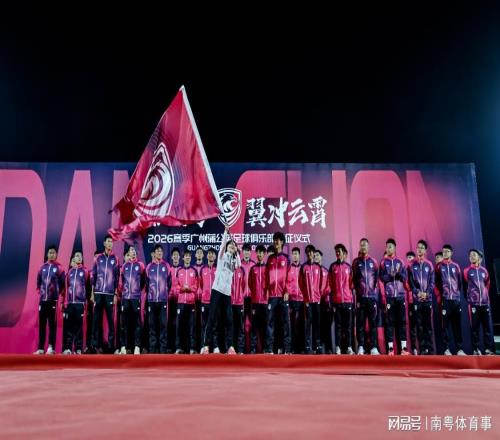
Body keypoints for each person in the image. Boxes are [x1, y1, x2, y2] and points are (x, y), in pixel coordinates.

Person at [200, 227, 240, 355]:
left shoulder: (234, 260)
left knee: (229, 319)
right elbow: (223, 244)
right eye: (230, 246)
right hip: (217, 290)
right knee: (211, 317)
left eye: (233, 246)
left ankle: (230, 346)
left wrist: (236, 252)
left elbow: (239, 264)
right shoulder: (221, 256)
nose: (231, 247)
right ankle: (206, 345)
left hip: (227, 293)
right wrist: (226, 232)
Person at [379, 239, 409, 355]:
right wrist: (390, 275)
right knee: (389, 322)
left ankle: (404, 349)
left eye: (390, 247)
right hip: (390, 296)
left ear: (395, 248)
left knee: (402, 322)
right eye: (387, 247)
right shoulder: (383, 263)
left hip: (400, 296)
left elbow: (404, 277)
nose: (388, 249)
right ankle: (391, 349)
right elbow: (381, 278)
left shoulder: (400, 262)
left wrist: (398, 273)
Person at [34, 245, 65, 355]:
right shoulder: (42, 267)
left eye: (53, 253)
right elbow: (38, 283)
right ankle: (40, 348)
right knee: (42, 324)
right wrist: (42, 293)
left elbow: (62, 284)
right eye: (50, 252)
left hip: (53, 301)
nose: (51, 254)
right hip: (43, 300)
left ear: (56, 255)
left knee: (52, 324)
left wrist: (56, 294)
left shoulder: (60, 268)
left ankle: (51, 347)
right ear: (47, 254)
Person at [91, 235, 120, 354]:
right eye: (108, 241)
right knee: (96, 320)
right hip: (98, 292)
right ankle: (95, 346)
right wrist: (92, 293)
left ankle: (110, 346)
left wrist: (115, 294)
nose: (110, 243)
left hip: (109, 293)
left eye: (111, 242)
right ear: (104, 243)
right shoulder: (98, 258)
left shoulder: (115, 259)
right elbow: (93, 275)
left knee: (111, 321)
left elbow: (117, 277)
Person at [435, 244, 466, 355]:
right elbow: (436, 283)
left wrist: (457, 295)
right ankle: (446, 349)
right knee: (445, 326)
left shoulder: (456, 266)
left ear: (451, 253)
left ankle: (459, 349)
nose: (445, 253)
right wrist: (441, 297)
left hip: (455, 300)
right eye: (443, 251)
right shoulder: (439, 266)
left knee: (457, 325)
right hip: (445, 300)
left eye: (447, 251)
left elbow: (459, 283)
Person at [352, 238, 380, 355]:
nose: (363, 247)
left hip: (372, 298)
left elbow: (376, 279)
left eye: (365, 245)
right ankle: (361, 347)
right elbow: (354, 279)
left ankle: (374, 347)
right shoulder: (356, 262)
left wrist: (373, 292)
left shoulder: (374, 262)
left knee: (373, 323)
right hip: (361, 298)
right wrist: (358, 293)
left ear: (368, 247)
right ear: (360, 246)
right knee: (360, 323)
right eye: (361, 245)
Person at [464, 249, 494, 355]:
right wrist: (471, 298)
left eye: (474, 255)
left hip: (485, 304)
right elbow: (465, 286)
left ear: (479, 258)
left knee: (487, 328)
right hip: (474, 304)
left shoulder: (484, 271)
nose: (471, 257)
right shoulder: (466, 271)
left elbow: (487, 285)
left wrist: (484, 297)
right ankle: (476, 349)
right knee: (475, 328)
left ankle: (488, 349)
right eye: (470, 255)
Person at [265, 232, 291, 354]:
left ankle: (286, 349)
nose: (277, 242)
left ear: (282, 242)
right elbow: (266, 277)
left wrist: (287, 291)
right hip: (272, 296)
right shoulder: (270, 259)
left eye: (279, 240)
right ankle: (270, 348)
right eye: (275, 240)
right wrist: (267, 291)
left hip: (283, 296)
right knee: (270, 322)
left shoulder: (286, 258)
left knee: (285, 322)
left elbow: (289, 277)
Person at [408, 240, 435, 355]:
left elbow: (432, 282)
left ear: (425, 250)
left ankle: (430, 348)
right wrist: (417, 292)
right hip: (417, 300)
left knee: (428, 325)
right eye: (418, 247)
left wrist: (427, 293)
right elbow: (410, 283)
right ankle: (423, 349)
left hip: (427, 299)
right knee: (419, 325)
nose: (419, 249)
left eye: (422, 248)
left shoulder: (429, 265)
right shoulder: (411, 265)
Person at [118, 245, 145, 355]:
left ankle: (137, 347)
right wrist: (124, 293)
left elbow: (143, 282)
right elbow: (121, 283)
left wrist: (137, 291)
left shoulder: (141, 265)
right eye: (131, 250)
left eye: (134, 250)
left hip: (135, 298)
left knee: (137, 323)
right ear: (128, 253)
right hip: (125, 298)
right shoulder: (124, 266)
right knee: (124, 323)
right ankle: (124, 346)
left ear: (136, 253)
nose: (133, 252)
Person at [62, 250, 90, 355]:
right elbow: (66, 287)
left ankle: (78, 348)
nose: (79, 258)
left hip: (80, 303)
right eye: (77, 256)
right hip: (70, 303)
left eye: (80, 256)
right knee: (69, 327)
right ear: (73, 258)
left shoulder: (85, 271)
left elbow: (87, 287)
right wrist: (65, 302)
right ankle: (68, 348)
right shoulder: (69, 272)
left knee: (79, 327)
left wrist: (85, 301)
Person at [329, 243, 354, 355]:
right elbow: (330, 285)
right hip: (337, 301)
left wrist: (351, 299)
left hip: (348, 301)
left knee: (348, 326)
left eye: (339, 251)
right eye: (336, 252)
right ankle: (338, 347)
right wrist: (332, 301)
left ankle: (349, 347)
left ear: (344, 253)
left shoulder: (349, 267)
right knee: (338, 326)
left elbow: (352, 284)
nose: (338, 254)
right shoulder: (332, 267)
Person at [145, 244, 171, 354]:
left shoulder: (166, 266)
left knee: (163, 325)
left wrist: (164, 293)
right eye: (157, 251)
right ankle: (152, 349)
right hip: (151, 300)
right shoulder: (149, 267)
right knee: (152, 325)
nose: (159, 253)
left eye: (161, 251)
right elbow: (146, 283)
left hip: (163, 300)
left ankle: (162, 349)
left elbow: (169, 283)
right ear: (154, 253)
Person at [300, 245, 322, 354]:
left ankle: (317, 346)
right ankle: (308, 346)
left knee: (317, 324)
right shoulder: (303, 267)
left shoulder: (318, 267)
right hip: (308, 301)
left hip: (317, 300)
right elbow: (300, 283)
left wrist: (319, 295)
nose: (309, 254)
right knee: (308, 324)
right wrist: (305, 298)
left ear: (314, 253)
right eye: (308, 252)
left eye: (311, 252)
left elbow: (321, 283)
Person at [176, 250, 198, 354]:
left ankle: (192, 348)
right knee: (180, 326)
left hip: (191, 303)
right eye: (186, 256)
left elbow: (196, 287)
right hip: (181, 303)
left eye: (189, 256)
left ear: (191, 258)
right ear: (183, 258)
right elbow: (176, 286)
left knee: (192, 327)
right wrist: (182, 288)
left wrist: (188, 288)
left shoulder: (194, 271)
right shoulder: (179, 271)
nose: (187, 258)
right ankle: (179, 348)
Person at [249, 245, 268, 353]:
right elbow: (250, 284)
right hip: (255, 302)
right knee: (254, 327)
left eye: (261, 252)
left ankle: (266, 348)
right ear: (256, 254)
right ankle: (253, 348)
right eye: (258, 252)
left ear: (264, 254)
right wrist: (255, 295)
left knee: (265, 326)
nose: (259, 254)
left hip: (265, 302)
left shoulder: (267, 268)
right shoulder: (253, 269)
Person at [286, 247, 304, 354]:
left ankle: (301, 348)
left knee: (301, 325)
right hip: (292, 300)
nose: (295, 256)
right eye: (293, 254)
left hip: (302, 300)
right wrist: (288, 295)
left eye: (296, 254)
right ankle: (292, 348)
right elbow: (286, 283)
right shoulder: (289, 268)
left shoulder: (303, 268)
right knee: (291, 325)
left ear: (299, 255)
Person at [199, 248, 217, 350]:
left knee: (214, 324)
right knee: (205, 325)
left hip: (215, 302)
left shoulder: (218, 269)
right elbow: (201, 285)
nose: (211, 255)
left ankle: (215, 347)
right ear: (207, 256)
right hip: (204, 301)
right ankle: (204, 346)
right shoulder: (203, 269)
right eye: (209, 253)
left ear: (215, 256)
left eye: (213, 254)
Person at [240, 243, 255, 353]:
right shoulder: (238, 265)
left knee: (253, 324)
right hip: (240, 299)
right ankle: (241, 348)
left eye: (248, 251)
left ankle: (253, 348)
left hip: (252, 299)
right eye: (245, 250)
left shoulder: (254, 265)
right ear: (242, 252)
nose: (246, 253)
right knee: (241, 324)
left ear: (250, 252)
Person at [167, 247, 181, 353]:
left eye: (177, 255)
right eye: (174, 255)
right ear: (172, 257)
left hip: (180, 300)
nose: (175, 257)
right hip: (169, 300)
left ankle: (178, 347)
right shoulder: (169, 270)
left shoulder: (182, 270)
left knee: (178, 324)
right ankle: (170, 346)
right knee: (169, 323)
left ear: (179, 257)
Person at [405, 251, 418, 354]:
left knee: (422, 324)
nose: (410, 259)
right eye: (408, 257)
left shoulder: (418, 268)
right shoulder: (406, 270)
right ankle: (414, 348)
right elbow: (406, 284)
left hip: (421, 301)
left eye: (411, 257)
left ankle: (424, 347)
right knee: (412, 325)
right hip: (410, 301)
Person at [231, 263, 246, 354]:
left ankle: (240, 349)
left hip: (239, 303)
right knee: (230, 326)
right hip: (230, 303)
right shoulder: (227, 270)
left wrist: (239, 297)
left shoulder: (241, 270)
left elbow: (243, 286)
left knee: (240, 327)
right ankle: (230, 348)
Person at [193, 247, 205, 352]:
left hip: (203, 300)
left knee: (202, 324)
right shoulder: (192, 269)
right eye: (198, 253)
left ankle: (202, 346)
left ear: (203, 255)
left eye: (201, 252)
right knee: (193, 323)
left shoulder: (205, 268)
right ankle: (193, 347)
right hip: (192, 300)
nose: (199, 254)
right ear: (195, 255)